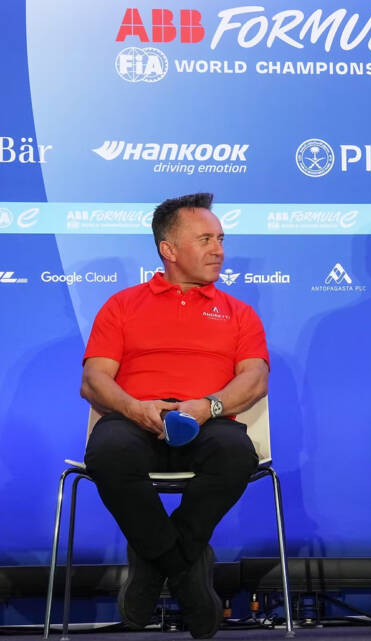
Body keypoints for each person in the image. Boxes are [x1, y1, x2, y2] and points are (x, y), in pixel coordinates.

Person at [81, 193, 269, 638]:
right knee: (106, 453)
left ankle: (152, 566)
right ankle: (187, 571)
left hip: (207, 421)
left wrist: (209, 406)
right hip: (133, 418)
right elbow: (94, 380)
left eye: (220, 238)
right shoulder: (122, 305)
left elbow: (256, 379)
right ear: (168, 249)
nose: (218, 249)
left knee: (236, 454)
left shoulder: (239, 313)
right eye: (205, 239)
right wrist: (134, 407)